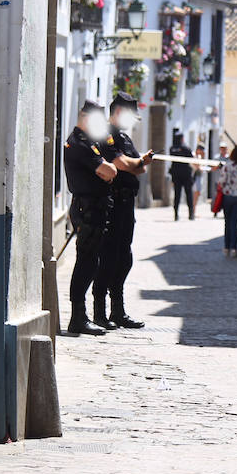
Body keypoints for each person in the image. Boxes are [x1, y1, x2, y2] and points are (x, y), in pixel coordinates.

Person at [93, 92, 153, 330]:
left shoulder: (125, 138)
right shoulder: (105, 136)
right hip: (112, 205)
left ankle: (118, 310)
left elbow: (139, 170)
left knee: (123, 259)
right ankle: (99, 312)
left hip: (127, 206)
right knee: (107, 258)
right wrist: (140, 162)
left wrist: (139, 163)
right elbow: (124, 164)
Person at [64, 101, 118, 335]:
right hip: (89, 209)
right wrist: (108, 172)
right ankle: (77, 317)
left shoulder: (86, 142)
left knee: (90, 261)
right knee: (86, 262)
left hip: (92, 208)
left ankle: (81, 315)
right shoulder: (80, 143)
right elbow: (109, 170)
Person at [169, 131, 195, 221]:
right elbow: (192, 158)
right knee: (189, 194)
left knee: (177, 195)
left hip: (176, 175)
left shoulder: (172, 149)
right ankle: (191, 214)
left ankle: (176, 214)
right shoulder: (185, 148)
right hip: (186, 175)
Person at [211, 141, 229, 219]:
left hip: (227, 182)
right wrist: (218, 166)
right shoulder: (216, 158)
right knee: (216, 197)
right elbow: (212, 168)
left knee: (226, 198)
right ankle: (215, 212)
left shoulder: (229, 158)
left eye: (224, 148)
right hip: (218, 181)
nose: (223, 150)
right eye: (221, 148)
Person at [192, 143, 206, 211]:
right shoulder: (193, 155)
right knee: (195, 192)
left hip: (199, 176)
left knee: (198, 193)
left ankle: (194, 209)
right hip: (194, 176)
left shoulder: (200, 157)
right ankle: (193, 209)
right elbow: (196, 166)